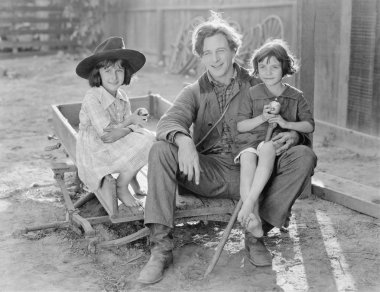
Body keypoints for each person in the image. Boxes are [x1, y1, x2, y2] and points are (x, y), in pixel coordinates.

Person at [137, 12, 316, 284]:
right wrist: (183, 140)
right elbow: (170, 121)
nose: (215, 58)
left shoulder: (259, 83)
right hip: (207, 173)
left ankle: (256, 234)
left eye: (221, 50)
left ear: (234, 50)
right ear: (201, 57)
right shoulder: (193, 91)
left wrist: (293, 136)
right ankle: (161, 248)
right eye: (207, 53)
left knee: (304, 156)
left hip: (256, 170)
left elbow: (294, 117)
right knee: (160, 149)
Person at [234, 39, 315, 239]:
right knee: (247, 159)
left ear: (284, 68)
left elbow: (309, 125)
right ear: (256, 69)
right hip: (251, 143)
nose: (267, 72)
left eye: (274, 67)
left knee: (268, 147)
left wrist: (286, 124)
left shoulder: (295, 96)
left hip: (274, 147)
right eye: (262, 66)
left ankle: (248, 204)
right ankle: (251, 216)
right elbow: (240, 125)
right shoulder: (252, 94)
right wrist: (261, 118)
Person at [75, 36, 155, 207]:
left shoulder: (122, 97)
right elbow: (107, 135)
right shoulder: (92, 97)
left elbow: (127, 126)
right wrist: (131, 122)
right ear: (98, 73)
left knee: (152, 138)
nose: (114, 76)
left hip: (114, 140)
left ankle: (130, 175)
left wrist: (135, 119)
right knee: (145, 139)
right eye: (108, 70)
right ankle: (121, 186)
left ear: (126, 72)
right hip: (96, 148)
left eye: (119, 70)